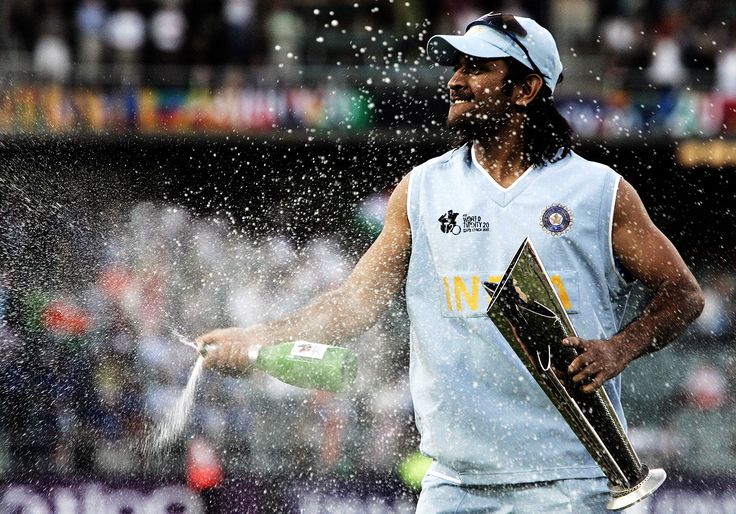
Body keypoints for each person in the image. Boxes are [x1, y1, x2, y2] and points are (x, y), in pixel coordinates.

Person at [197, 12, 704, 513]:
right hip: (453, 484)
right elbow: (354, 302)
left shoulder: (598, 192)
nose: (455, 81)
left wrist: (619, 348)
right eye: (457, 66)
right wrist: (257, 339)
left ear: (525, 89)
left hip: (572, 481)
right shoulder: (421, 190)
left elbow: (683, 294)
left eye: (477, 68)